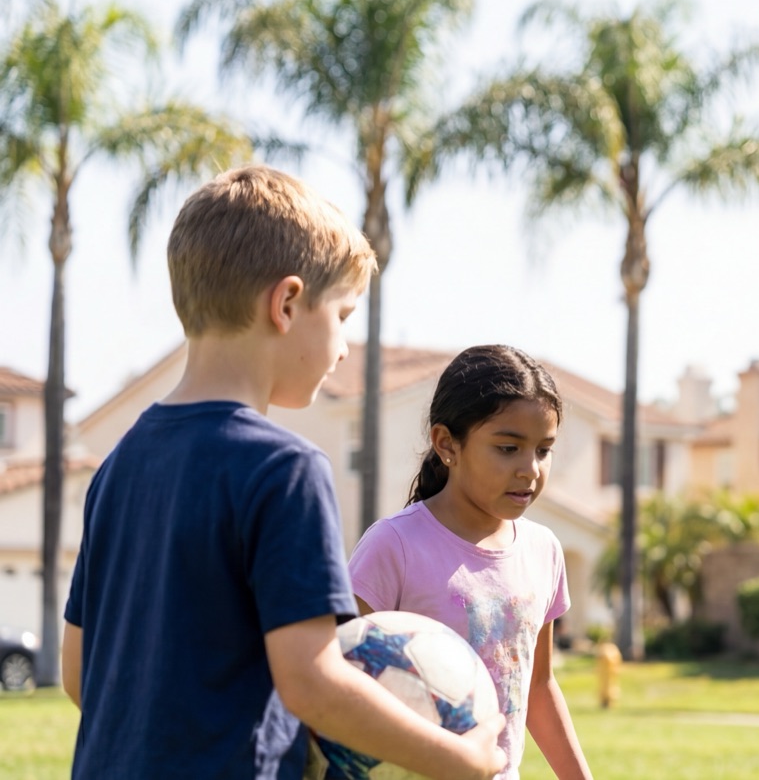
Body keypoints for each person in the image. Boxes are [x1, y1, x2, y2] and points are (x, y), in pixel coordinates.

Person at [61, 166, 506, 779]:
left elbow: (78, 671)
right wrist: (458, 758)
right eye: (343, 316)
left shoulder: (119, 465)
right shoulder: (284, 469)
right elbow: (312, 681)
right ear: (288, 303)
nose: (345, 347)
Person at [346, 344, 593, 780]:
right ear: (447, 444)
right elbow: (342, 678)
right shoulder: (394, 545)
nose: (530, 469)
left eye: (543, 450)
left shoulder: (544, 550)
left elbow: (537, 688)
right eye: (507, 447)